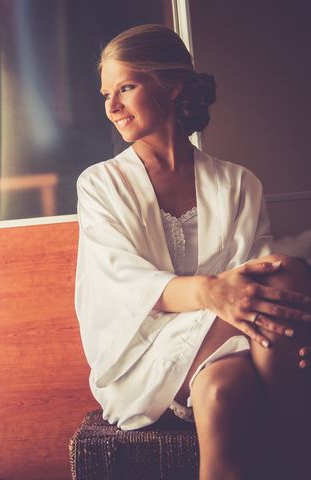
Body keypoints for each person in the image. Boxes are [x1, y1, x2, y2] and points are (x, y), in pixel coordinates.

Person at [75, 24, 311, 479]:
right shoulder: (100, 184)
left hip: (234, 342)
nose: (113, 107)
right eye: (107, 93)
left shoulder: (238, 182)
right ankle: (301, 449)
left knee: (224, 390)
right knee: (286, 277)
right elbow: (122, 284)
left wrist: (234, 298)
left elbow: (252, 274)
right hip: (142, 350)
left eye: (126, 87)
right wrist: (210, 292)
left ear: (172, 83)